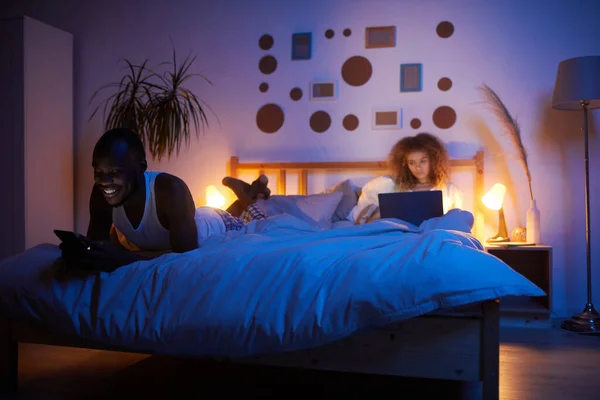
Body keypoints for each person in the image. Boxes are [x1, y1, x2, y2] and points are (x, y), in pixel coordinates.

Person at [60, 128, 270, 272]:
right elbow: (99, 250)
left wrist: (121, 259)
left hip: (219, 224)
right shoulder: (101, 194)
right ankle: (253, 189)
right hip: (201, 217)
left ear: (142, 168)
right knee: (231, 211)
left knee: (259, 220)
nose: (104, 181)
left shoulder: (171, 190)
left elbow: (184, 264)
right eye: (98, 172)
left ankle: (246, 194)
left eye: (114, 172)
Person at [350, 132, 463, 224]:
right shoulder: (391, 186)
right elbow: (364, 217)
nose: (418, 167)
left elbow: (458, 224)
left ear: (433, 161)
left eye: (423, 161)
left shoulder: (450, 191)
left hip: (433, 236)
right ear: (405, 164)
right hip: (401, 237)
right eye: (412, 163)